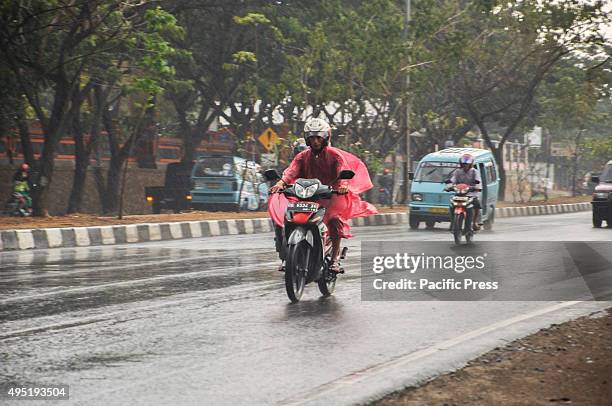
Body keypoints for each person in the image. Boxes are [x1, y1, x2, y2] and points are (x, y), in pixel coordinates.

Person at [269, 117, 377, 273]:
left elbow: (343, 171)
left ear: (326, 137)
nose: (315, 141)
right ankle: (287, 257)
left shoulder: (334, 155)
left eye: (318, 137)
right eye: (312, 138)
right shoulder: (302, 156)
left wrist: (342, 186)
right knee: (287, 216)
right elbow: (291, 171)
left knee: (334, 220)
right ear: (307, 139)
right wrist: (280, 184)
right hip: (306, 195)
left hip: (330, 195)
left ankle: (334, 260)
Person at [448, 154, 482, 230]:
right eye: (464, 164)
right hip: (459, 193)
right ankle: (453, 222)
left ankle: (474, 222)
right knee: (451, 206)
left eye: (467, 164)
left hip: (471, 193)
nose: (465, 166)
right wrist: (449, 185)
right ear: (461, 164)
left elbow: (478, 181)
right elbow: (453, 180)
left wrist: (476, 186)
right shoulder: (457, 172)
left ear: (471, 164)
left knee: (477, 204)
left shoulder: (474, 172)